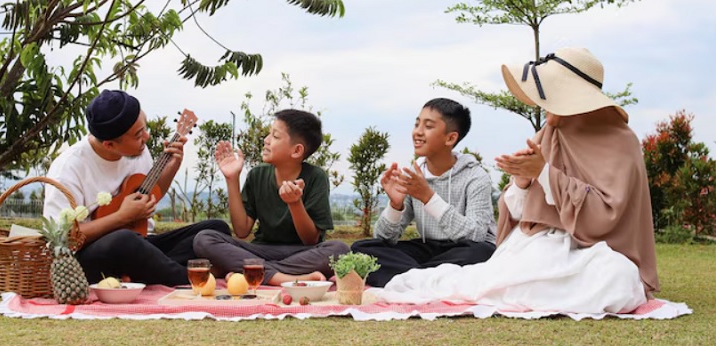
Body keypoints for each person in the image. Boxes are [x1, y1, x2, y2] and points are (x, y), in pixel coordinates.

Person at [378, 48, 659, 314]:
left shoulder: (620, 142)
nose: (543, 105)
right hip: (543, 244)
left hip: (598, 249)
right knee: (509, 272)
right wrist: (523, 182)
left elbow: (608, 215)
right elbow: (518, 214)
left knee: (619, 280)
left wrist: (544, 174)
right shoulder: (547, 136)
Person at [43, 90, 231, 286]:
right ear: (109, 144)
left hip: (141, 244)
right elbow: (62, 236)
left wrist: (172, 166)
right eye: (138, 135)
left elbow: (149, 194)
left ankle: (145, 273)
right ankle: (190, 277)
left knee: (215, 229)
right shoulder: (67, 169)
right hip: (89, 257)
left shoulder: (137, 150)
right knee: (124, 241)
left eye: (144, 128)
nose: (147, 137)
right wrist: (121, 217)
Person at [351, 98, 497, 287]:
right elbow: (385, 238)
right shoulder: (414, 175)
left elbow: (476, 235)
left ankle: (412, 279)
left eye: (428, 126)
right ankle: (433, 280)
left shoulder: (475, 176)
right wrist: (395, 206)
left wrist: (428, 197)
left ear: (450, 138)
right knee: (361, 249)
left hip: (463, 249)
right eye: (417, 124)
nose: (417, 132)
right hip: (429, 250)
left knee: (482, 252)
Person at [192, 109, 349, 286]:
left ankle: (252, 271)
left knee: (339, 250)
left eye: (275, 136)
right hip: (260, 250)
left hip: (302, 252)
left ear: (297, 150)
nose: (266, 140)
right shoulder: (257, 175)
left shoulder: (316, 177)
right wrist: (232, 179)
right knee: (204, 239)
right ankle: (281, 277)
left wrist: (295, 203)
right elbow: (242, 231)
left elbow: (310, 239)